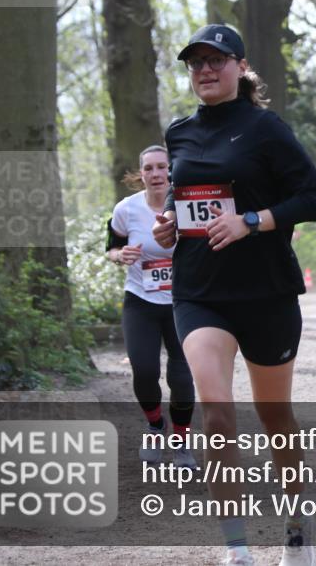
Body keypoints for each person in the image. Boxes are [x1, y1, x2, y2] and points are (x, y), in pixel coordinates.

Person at [152, 24, 316, 566]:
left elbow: (314, 198)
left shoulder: (266, 129)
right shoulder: (178, 133)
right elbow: (188, 206)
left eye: (216, 60)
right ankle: (236, 547)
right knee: (217, 414)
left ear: (240, 67)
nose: (205, 70)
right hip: (199, 292)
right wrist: (169, 228)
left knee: (274, 415)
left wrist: (254, 219)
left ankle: (296, 530)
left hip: (267, 292)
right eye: (196, 62)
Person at [105, 145, 198, 469]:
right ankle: (155, 425)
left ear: (170, 171)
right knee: (144, 370)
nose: (156, 174)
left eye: (162, 167)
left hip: (183, 301)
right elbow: (112, 248)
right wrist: (121, 256)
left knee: (182, 375)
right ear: (140, 174)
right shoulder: (126, 209)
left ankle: (182, 440)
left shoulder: (187, 206)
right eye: (149, 168)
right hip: (140, 300)